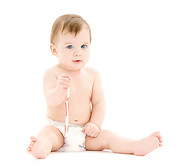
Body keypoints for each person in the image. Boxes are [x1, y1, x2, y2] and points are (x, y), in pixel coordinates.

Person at [27, 14, 162, 159]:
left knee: (109, 137)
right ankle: (41, 147)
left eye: (84, 46)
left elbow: (99, 103)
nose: (78, 52)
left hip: (85, 132)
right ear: (54, 50)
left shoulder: (92, 75)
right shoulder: (52, 73)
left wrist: (95, 124)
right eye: (70, 46)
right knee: (47, 134)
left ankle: (134, 146)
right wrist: (59, 90)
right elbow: (51, 100)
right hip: (59, 128)